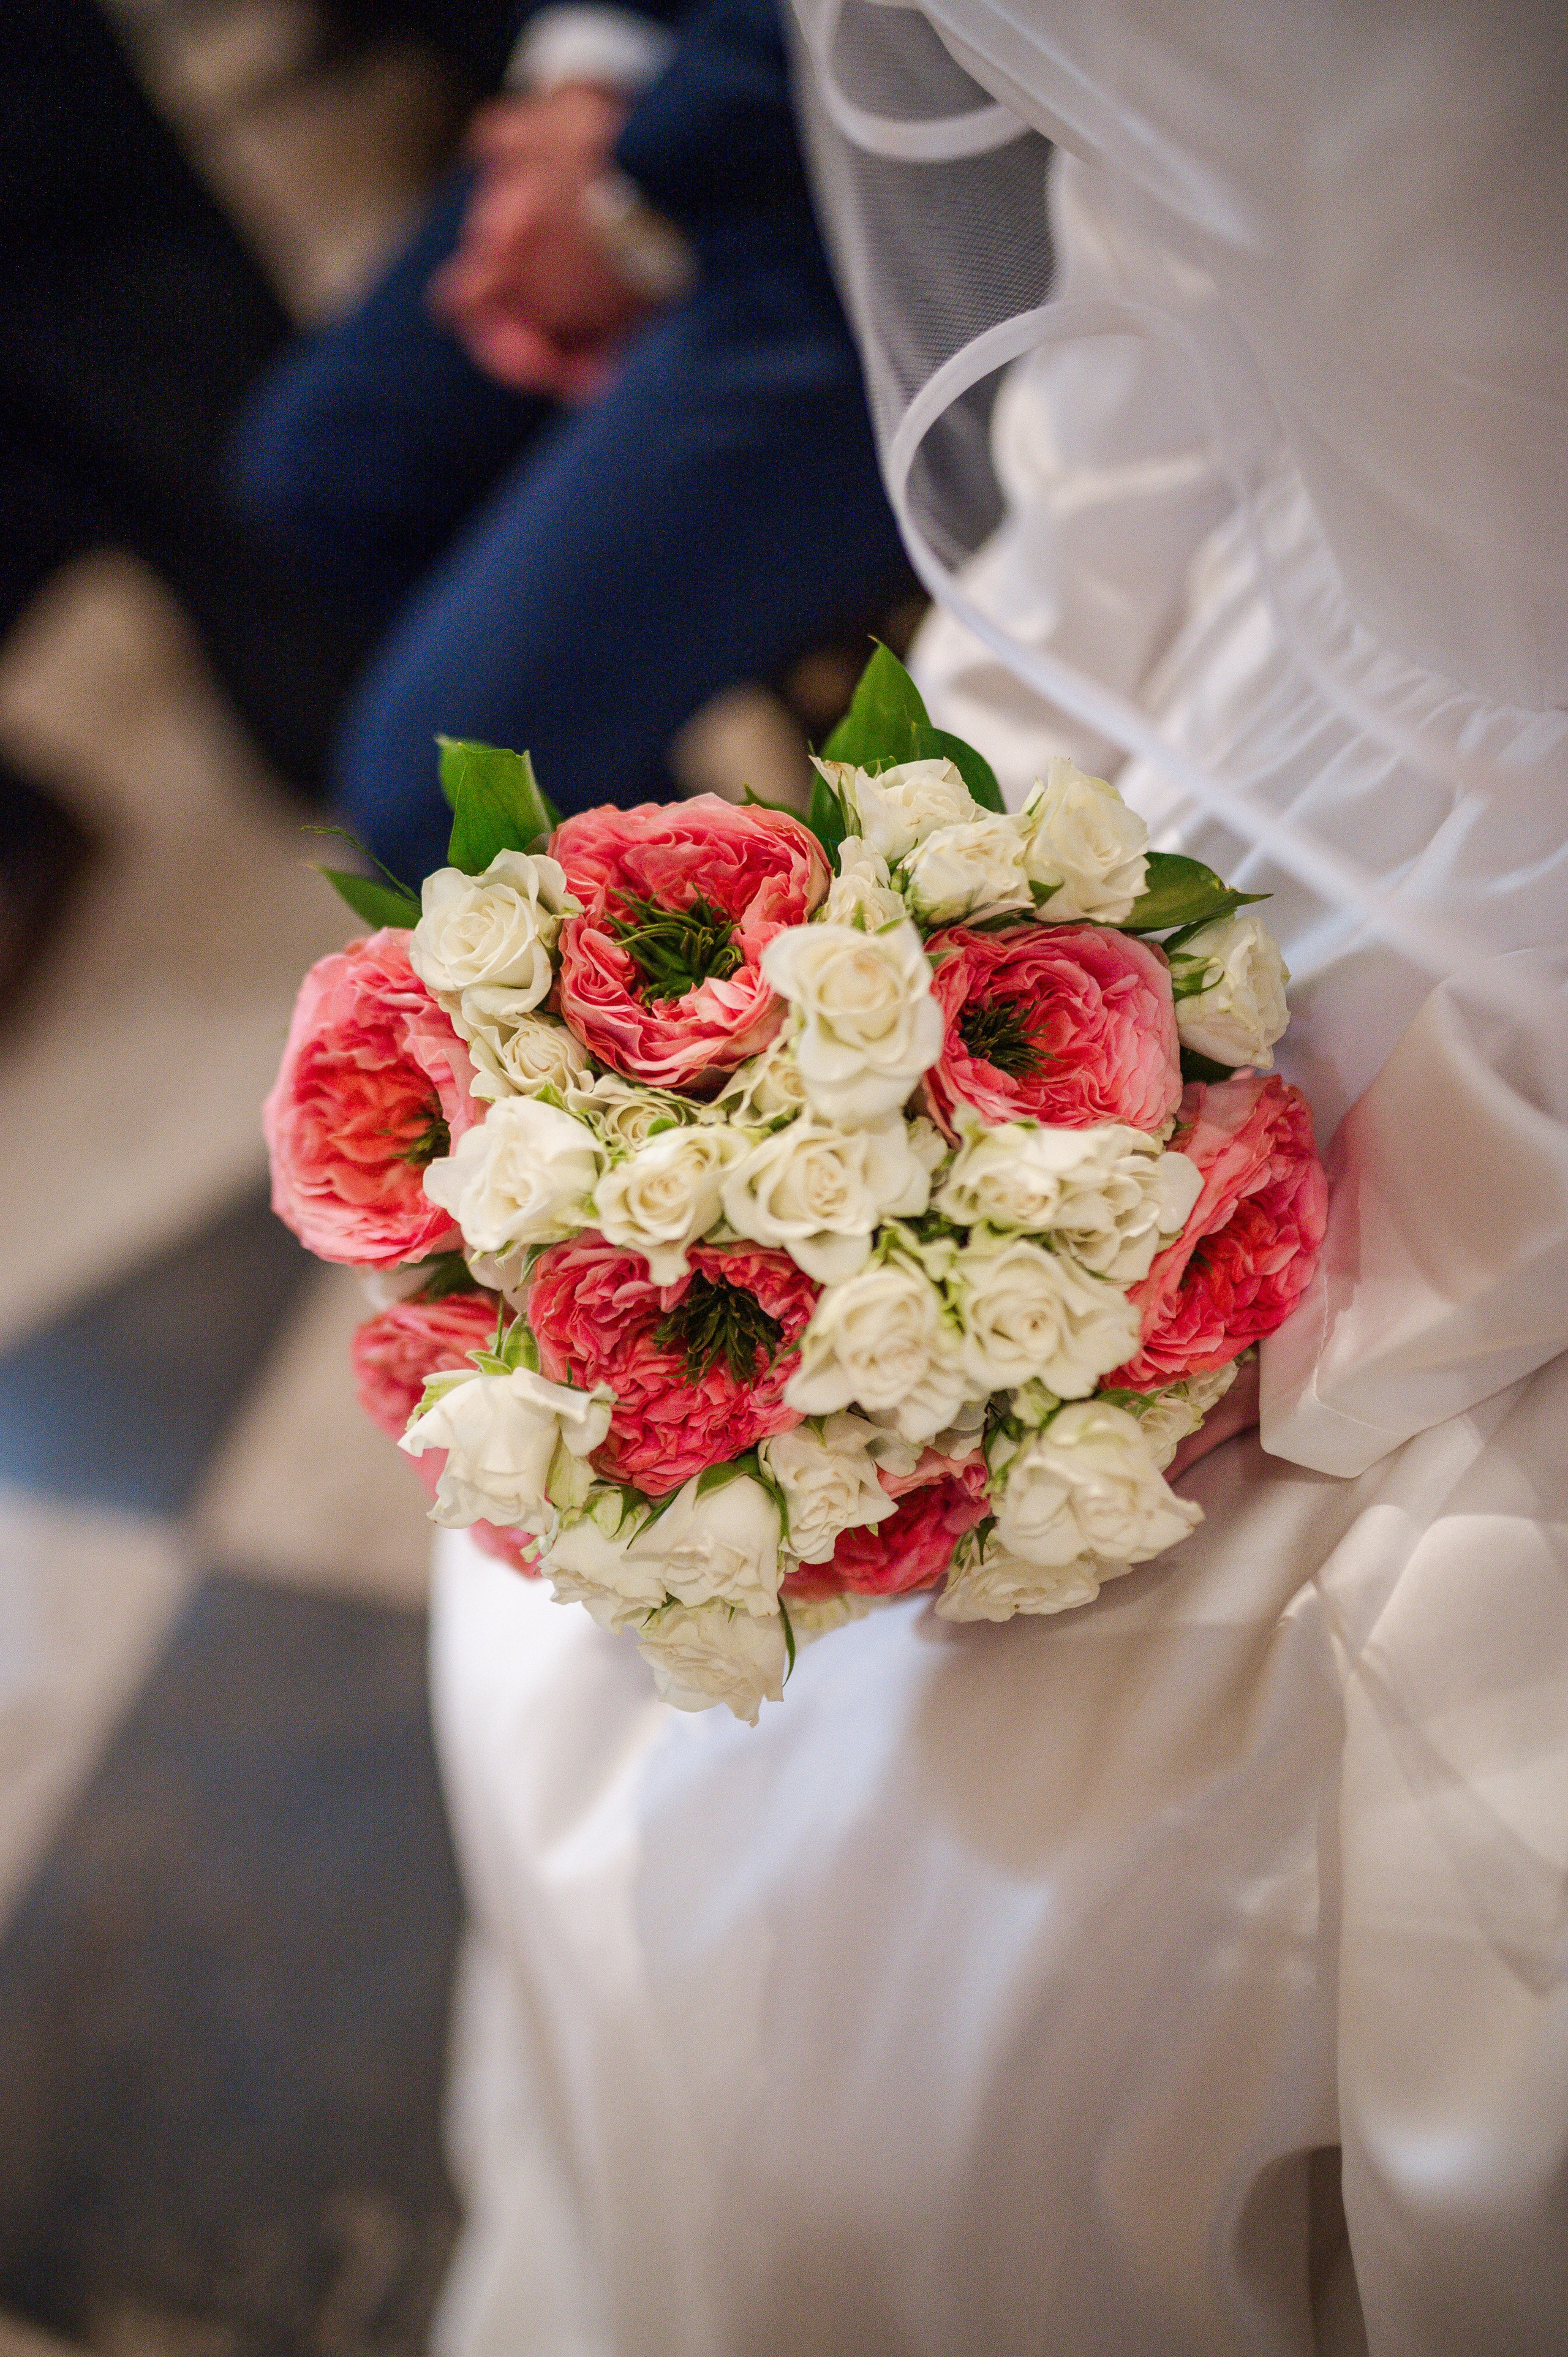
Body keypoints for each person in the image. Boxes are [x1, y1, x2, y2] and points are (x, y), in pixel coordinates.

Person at [424, 2, 1568, 2351]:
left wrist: (1309, 1292)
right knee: (590, 1658)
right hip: (1252, 684)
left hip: (1524, 957)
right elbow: (1139, 323)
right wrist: (927, 891)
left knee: (963, 1966)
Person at [230, 0, 911, 887]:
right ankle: (701, 887)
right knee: (327, 466)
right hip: (673, 55)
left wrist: (630, 202)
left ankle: (750, 969)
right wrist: (579, 75)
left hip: (841, 185)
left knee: (441, 797)